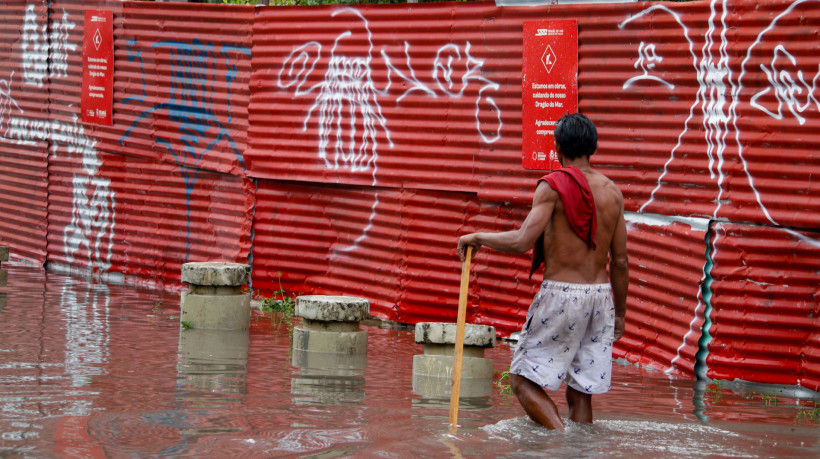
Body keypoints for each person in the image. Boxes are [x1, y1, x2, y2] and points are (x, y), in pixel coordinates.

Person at [457, 113, 628, 431]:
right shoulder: (613, 193)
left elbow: (523, 241)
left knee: (521, 380)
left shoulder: (553, 186)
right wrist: (620, 314)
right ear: (593, 147)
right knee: (581, 392)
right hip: (602, 299)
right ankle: (580, 453)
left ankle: (561, 441)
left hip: (562, 294)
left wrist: (477, 236)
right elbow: (620, 262)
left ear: (557, 147)